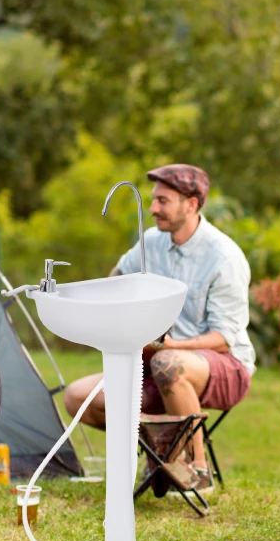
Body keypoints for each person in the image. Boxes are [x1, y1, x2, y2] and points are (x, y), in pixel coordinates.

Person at [65, 164, 255, 493]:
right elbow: (116, 278)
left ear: (192, 204)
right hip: (155, 362)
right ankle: (160, 455)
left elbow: (224, 339)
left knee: (166, 364)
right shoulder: (151, 242)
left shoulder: (224, 258)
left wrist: (166, 347)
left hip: (222, 366)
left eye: (163, 201)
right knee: (78, 398)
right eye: (153, 200)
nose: (152, 209)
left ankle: (196, 469)